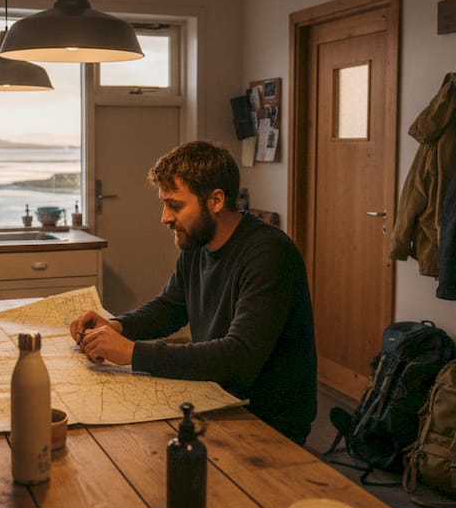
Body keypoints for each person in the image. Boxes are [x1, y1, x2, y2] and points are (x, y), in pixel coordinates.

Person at [69, 141, 317, 444]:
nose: (165, 217)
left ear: (215, 200)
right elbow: (171, 306)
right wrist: (117, 326)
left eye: (175, 205)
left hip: (264, 419)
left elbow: (240, 356)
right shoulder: (198, 244)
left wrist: (131, 353)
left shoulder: (270, 253)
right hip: (216, 396)